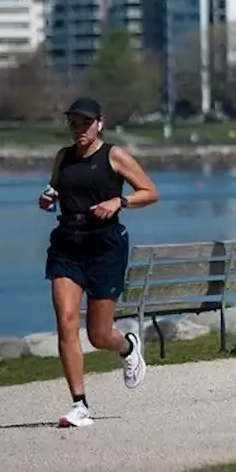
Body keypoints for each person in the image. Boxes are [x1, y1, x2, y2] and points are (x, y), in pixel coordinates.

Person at [38, 97, 159, 428]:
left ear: (99, 124)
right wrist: (48, 199)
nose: (79, 129)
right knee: (65, 321)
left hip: (105, 246)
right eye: (73, 122)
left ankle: (126, 347)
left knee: (99, 334)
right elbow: (55, 191)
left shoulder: (114, 156)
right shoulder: (63, 157)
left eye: (85, 123)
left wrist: (120, 201)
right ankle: (79, 404)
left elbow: (150, 192)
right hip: (67, 245)